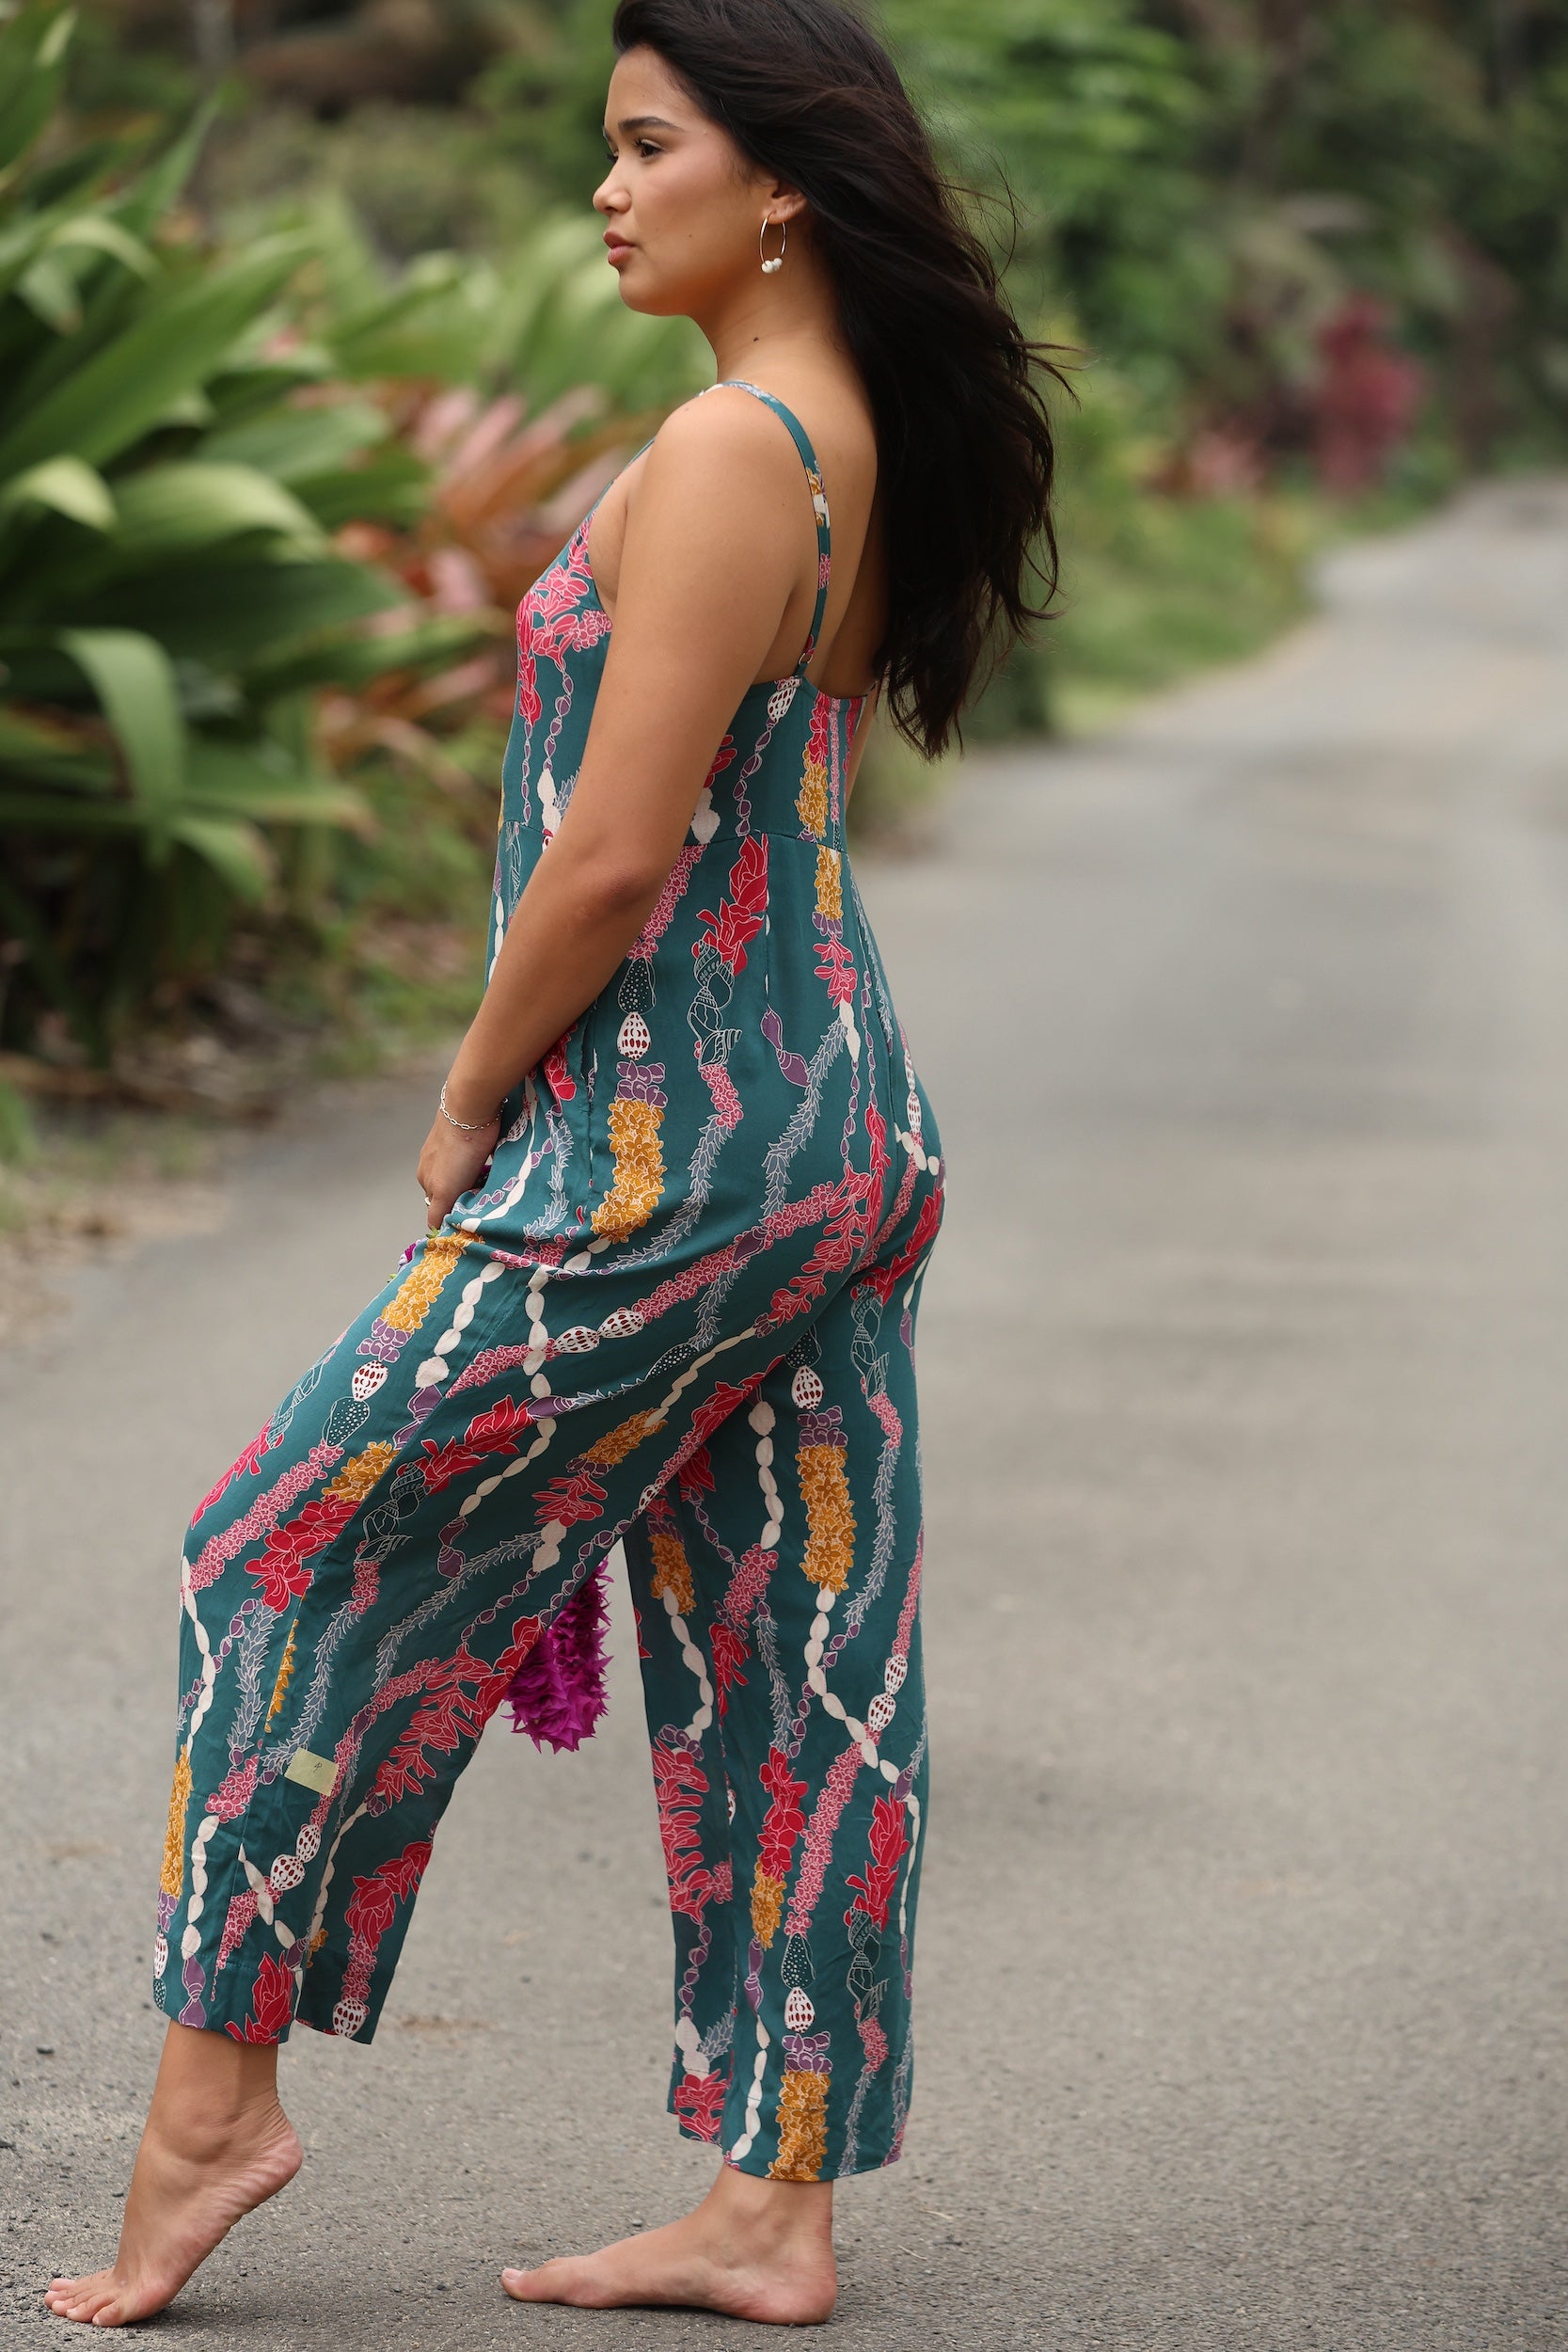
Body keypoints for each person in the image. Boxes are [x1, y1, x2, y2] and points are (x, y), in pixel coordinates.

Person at [47, 0, 1060, 2327]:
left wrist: (475, 1089)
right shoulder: (847, 433)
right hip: (835, 1120)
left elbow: (610, 859)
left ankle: (217, 2102)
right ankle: (773, 2203)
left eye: (643, 145)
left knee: (275, 1536)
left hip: (665, 1138)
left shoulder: (729, 442)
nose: (604, 191)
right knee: (794, 1640)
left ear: (779, 179)